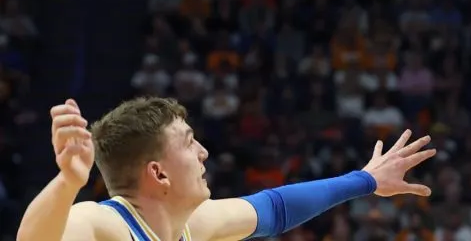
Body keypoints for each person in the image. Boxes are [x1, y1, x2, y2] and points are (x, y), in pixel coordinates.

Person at [18, 96, 435, 241]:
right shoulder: (106, 225)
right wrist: (68, 181)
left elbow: (274, 208)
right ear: (158, 173)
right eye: (188, 143)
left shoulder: (191, 227)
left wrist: (365, 180)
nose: (204, 152)